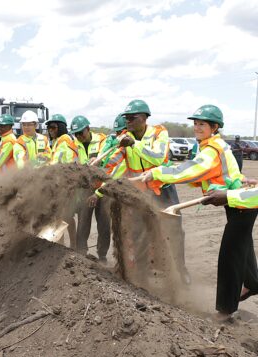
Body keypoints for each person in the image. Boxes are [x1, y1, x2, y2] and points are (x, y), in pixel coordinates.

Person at [139, 104, 257, 320]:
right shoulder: (211, 145)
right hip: (238, 204)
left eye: (202, 124)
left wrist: (157, 173)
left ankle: (225, 310)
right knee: (243, 247)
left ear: (214, 127)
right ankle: (252, 284)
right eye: (195, 123)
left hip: (241, 204)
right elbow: (203, 174)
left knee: (230, 255)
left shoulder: (213, 149)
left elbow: (191, 169)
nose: (196, 127)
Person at [92, 100, 190, 286]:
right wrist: (98, 165)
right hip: (141, 193)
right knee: (137, 231)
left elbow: (158, 157)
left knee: (174, 230)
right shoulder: (125, 138)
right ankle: (139, 274)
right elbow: (113, 161)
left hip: (163, 189)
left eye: (132, 117)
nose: (128, 120)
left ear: (144, 117)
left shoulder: (159, 133)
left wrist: (134, 144)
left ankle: (181, 270)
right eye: (126, 118)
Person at [69, 115, 110, 262]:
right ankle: (81, 253)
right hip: (86, 188)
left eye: (81, 132)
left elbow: (108, 160)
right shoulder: (75, 144)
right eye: (76, 134)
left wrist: (99, 159)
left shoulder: (102, 140)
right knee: (83, 220)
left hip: (103, 188)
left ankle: (102, 255)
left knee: (104, 222)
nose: (79, 136)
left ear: (88, 128)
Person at [45, 113, 77, 248]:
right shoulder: (64, 140)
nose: (50, 130)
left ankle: (61, 247)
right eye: (49, 128)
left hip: (64, 184)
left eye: (53, 127)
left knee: (60, 216)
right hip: (69, 183)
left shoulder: (64, 141)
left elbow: (56, 162)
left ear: (61, 127)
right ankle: (73, 246)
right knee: (68, 216)